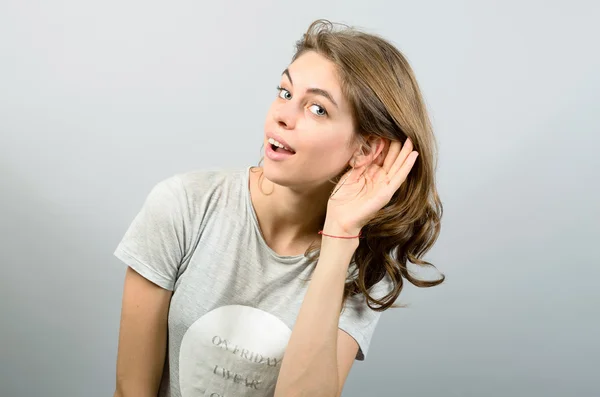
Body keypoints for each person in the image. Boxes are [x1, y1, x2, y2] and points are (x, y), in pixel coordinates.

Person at [112, 19, 444, 397]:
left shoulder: (362, 265)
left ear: (366, 149)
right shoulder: (184, 206)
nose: (282, 116)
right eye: (285, 93)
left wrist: (338, 238)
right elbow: (129, 390)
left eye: (317, 109)